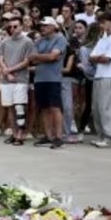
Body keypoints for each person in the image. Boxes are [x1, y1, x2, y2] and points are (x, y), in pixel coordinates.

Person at [29, 18, 68, 148]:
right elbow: (32, 59)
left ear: (53, 26)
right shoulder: (39, 40)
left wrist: (40, 57)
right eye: (41, 25)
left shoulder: (60, 39)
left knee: (55, 107)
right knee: (44, 108)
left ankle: (58, 136)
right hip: (40, 78)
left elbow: (53, 57)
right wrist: (46, 57)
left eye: (45, 26)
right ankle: (49, 136)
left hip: (53, 78)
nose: (42, 28)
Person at [0, 17, 34, 146]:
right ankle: (14, 132)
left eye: (15, 26)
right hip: (6, 80)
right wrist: (5, 71)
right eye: (10, 27)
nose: (12, 29)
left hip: (20, 79)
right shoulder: (5, 42)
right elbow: (0, 58)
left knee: (19, 106)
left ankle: (21, 134)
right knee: (10, 107)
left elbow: (27, 61)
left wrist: (10, 70)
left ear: (21, 27)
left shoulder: (28, 42)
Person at [89, 12, 111, 147]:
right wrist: (99, 57)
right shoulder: (102, 39)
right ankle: (101, 135)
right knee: (97, 108)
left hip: (109, 76)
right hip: (98, 76)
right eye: (100, 22)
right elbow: (91, 57)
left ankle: (110, 136)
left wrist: (99, 57)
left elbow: (108, 59)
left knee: (107, 107)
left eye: (103, 22)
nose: (101, 25)